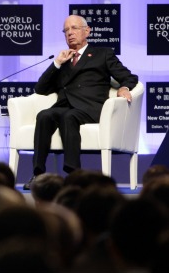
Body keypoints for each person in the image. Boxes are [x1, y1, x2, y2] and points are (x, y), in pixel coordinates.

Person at [24, 15, 138, 190]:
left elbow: (129, 77)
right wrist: (56, 63)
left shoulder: (102, 54)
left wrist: (124, 88)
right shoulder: (63, 60)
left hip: (91, 107)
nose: (70, 33)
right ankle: (38, 174)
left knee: (69, 116)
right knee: (44, 115)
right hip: (64, 106)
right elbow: (40, 89)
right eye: (66, 30)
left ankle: (74, 175)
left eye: (74, 28)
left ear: (87, 31)